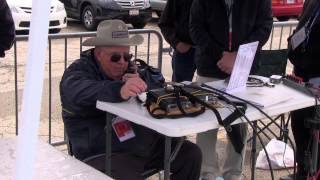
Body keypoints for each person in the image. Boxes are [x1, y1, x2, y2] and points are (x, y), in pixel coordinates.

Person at [60, 19, 202, 180]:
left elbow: (159, 82)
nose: (122, 62)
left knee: (191, 154)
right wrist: (119, 89)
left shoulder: (129, 67)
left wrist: (142, 82)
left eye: (127, 56)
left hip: (139, 142)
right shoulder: (79, 71)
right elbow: (77, 91)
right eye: (115, 57)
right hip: (101, 150)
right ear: (99, 54)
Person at [189, 0, 273, 179]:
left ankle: (233, 174)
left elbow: (264, 27)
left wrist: (238, 56)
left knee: (240, 124)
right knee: (206, 125)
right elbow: (196, 29)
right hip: (209, 68)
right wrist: (222, 55)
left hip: (244, 68)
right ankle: (207, 173)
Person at [282, 0, 320, 179]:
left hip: (317, 78)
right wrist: (292, 43)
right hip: (302, 79)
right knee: (299, 124)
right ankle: (302, 171)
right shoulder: (312, 3)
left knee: (315, 135)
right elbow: (302, 29)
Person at [158, 0, 196, 82]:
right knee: (180, 88)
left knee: (213, 89)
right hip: (185, 53)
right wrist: (176, 43)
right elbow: (164, 23)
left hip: (210, 52)